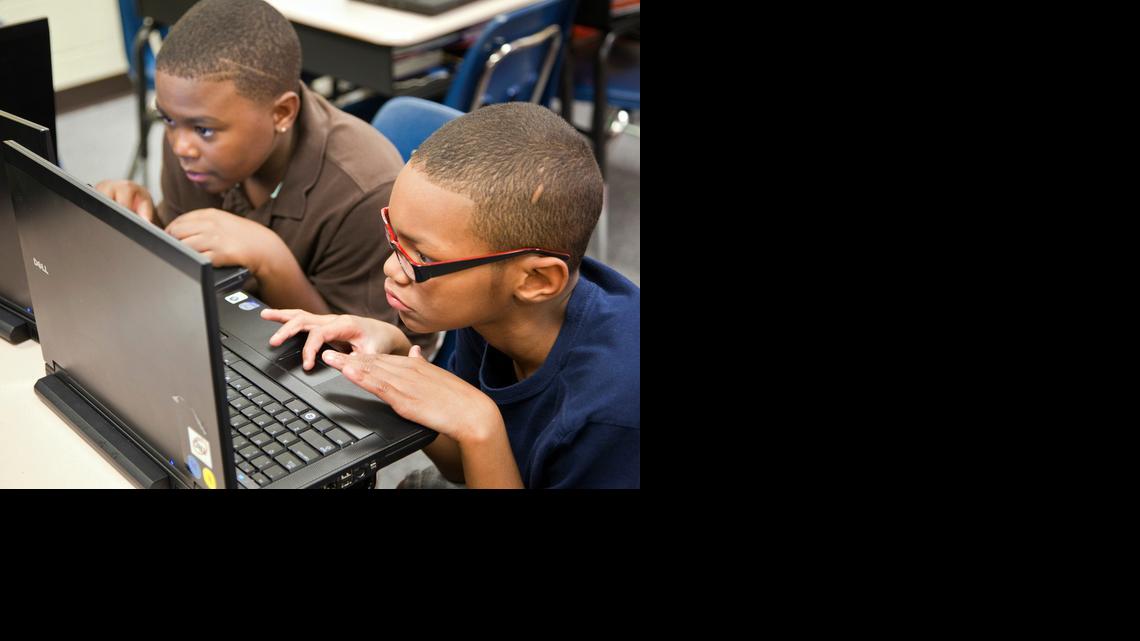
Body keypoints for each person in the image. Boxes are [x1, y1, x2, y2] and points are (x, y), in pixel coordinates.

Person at [261, 102, 640, 488]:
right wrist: (396, 354)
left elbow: (475, 442)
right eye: (396, 240)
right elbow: (461, 470)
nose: (391, 269)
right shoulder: (493, 311)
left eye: (423, 256)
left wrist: (480, 425)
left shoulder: (613, 416)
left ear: (535, 280)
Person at [96, 0, 436, 352]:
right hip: (242, 338)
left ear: (282, 113)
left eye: (203, 129)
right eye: (167, 120)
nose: (181, 146)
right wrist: (140, 223)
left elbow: (359, 358)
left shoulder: (362, 190)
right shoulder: (193, 139)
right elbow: (186, 276)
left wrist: (272, 262)